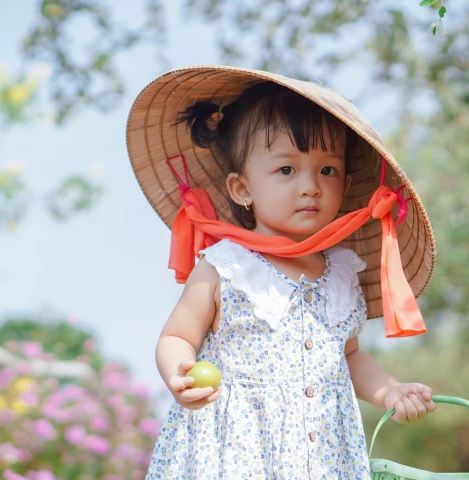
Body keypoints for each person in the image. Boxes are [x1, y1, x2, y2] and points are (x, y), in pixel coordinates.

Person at [126, 66, 438, 479]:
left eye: (326, 170)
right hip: (234, 448)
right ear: (242, 189)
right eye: (286, 170)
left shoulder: (342, 272)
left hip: (322, 455)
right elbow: (178, 336)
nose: (310, 185)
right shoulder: (228, 265)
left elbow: (350, 357)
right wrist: (180, 372)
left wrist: (390, 391)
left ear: (345, 186)